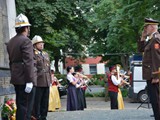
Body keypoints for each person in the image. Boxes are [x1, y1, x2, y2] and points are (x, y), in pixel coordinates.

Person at [6, 13, 37, 120]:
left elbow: (11, 62)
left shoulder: (11, 42)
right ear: (25, 28)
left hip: (17, 78)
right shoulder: (26, 41)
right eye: (28, 27)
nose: (28, 30)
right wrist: (29, 80)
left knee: (21, 106)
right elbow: (28, 61)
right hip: (25, 78)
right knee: (26, 109)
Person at [138, 18, 160, 120]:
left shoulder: (156, 39)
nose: (145, 29)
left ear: (151, 27)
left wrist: (156, 75)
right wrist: (142, 37)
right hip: (150, 74)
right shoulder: (151, 39)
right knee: (154, 99)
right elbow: (141, 49)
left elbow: (157, 58)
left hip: (153, 75)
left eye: (146, 27)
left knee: (156, 100)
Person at [32, 35, 52, 120]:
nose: (41, 45)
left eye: (42, 43)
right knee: (37, 102)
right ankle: (37, 116)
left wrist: (50, 80)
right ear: (35, 45)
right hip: (38, 81)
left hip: (46, 81)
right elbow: (33, 68)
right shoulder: (33, 54)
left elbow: (48, 68)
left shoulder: (45, 54)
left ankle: (44, 116)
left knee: (45, 101)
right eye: (39, 43)